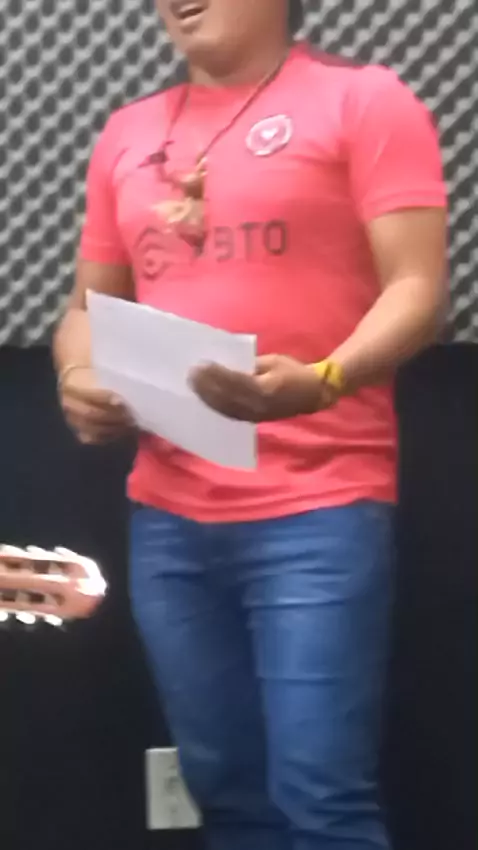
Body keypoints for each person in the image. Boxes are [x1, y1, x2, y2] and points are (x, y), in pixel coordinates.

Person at [54, 1, 447, 847]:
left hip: (320, 510)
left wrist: (325, 380)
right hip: (169, 520)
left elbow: (418, 289)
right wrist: (77, 377)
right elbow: (87, 307)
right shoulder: (127, 132)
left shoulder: (365, 100)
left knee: (321, 797)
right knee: (224, 792)